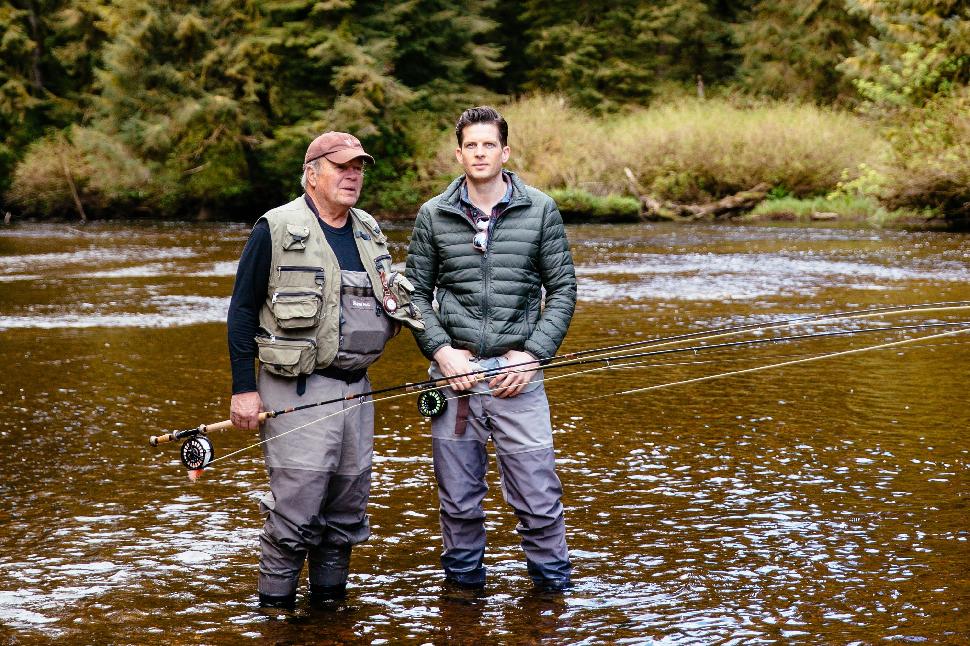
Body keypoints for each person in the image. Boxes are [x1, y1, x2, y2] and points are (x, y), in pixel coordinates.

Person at [227, 131, 422, 609]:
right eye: (341, 166)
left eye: (358, 167)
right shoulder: (274, 227)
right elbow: (242, 312)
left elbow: (396, 302)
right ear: (311, 174)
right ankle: (274, 614)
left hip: (357, 392)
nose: (352, 175)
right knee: (297, 510)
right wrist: (243, 390)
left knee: (345, 512)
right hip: (295, 389)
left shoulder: (369, 230)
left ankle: (330, 609)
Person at [405, 106, 577, 592]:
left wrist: (534, 354)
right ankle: (462, 601)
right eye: (470, 145)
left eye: (489, 145)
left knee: (539, 499)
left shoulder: (540, 208)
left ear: (505, 151)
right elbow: (413, 294)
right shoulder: (433, 215)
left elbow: (562, 289)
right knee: (458, 503)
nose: (480, 153)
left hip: (518, 375)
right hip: (453, 376)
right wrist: (440, 352)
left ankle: (552, 599)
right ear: (458, 154)